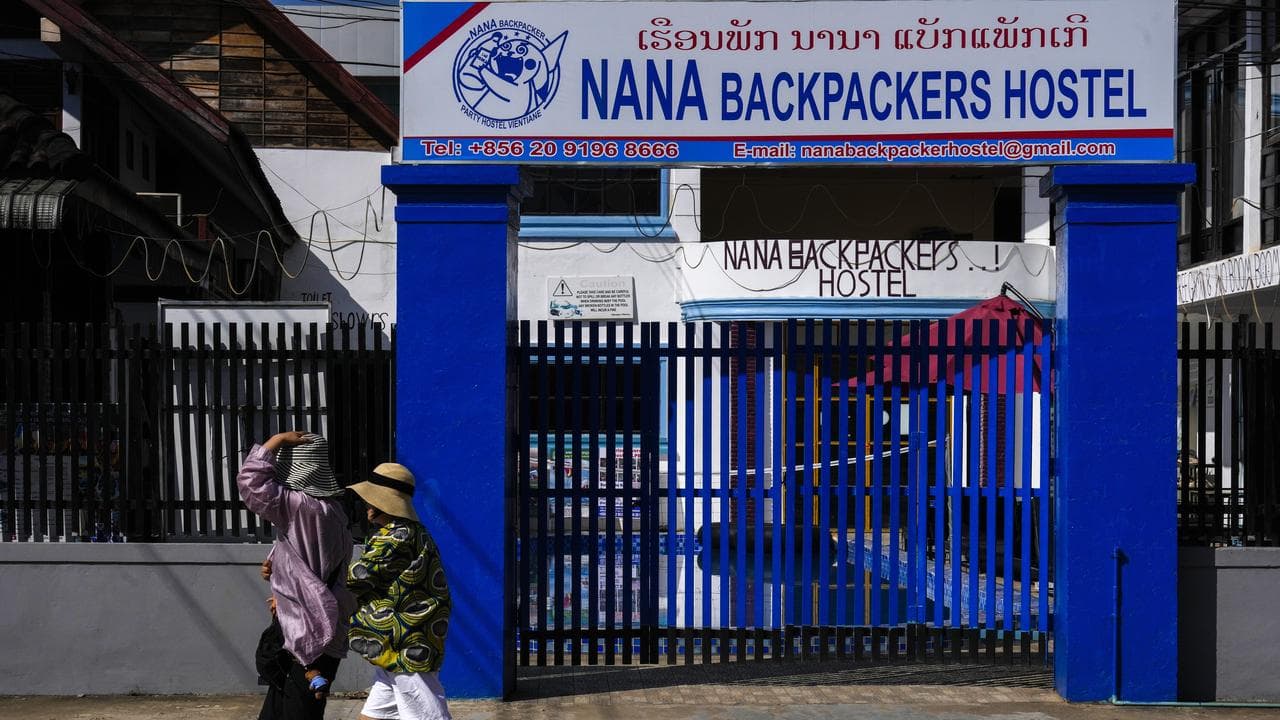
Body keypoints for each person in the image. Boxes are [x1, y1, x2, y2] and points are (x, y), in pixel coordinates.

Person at [237, 431, 356, 720]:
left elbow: (251, 483)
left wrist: (274, 442)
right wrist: (276, 568)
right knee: (289, 703)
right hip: (323, 619)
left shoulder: (298, 505)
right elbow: (309, 557)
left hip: (303, 626)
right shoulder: (334, 510)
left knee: (294, 708)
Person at [345, 463, 452, 720]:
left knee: (428, 715)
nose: (366, 504)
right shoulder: (413, 531)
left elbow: (356, 576)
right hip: (397, 645)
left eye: (371, 499)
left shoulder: (395, 537)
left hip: (407, 645)